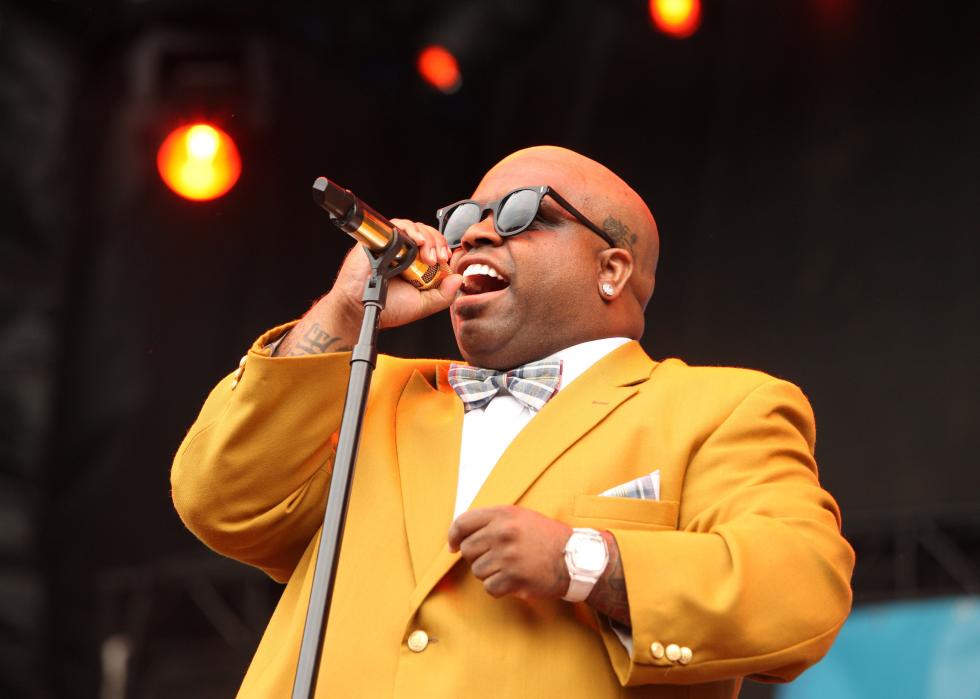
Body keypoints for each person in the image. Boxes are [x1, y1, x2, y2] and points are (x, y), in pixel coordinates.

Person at [171, 146, 854, 698]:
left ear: (612, 269)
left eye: (522, 213)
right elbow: (219, 499)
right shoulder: (363, 389)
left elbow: (802, 591)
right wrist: (344, 313)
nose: (473, 232)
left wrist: (583, 561)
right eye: (467, 214)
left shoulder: (716, 407)